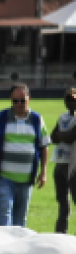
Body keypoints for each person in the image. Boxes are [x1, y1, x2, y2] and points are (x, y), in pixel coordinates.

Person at [0, 83, 50, 227]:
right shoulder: (1, 117)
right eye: (15, 101)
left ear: (29, 99)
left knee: (20, 219)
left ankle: (18, 242)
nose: (18, 104)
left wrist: (43, 172)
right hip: (4, 177)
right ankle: (2, 241)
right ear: (10, 99)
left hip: (27, 179)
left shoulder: (37, 120)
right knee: (5, 210)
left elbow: (44, 146)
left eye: (22, 100)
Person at [51, 87, 76, 234]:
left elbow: (71, 137)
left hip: (73, 165)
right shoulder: (62, 118)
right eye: (68, 100)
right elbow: (52, 137)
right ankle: (61, 233)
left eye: (73, 100)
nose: (70, 103)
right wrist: (62, 135)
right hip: (60, 162)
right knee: (62, 201)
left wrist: (61, 135)